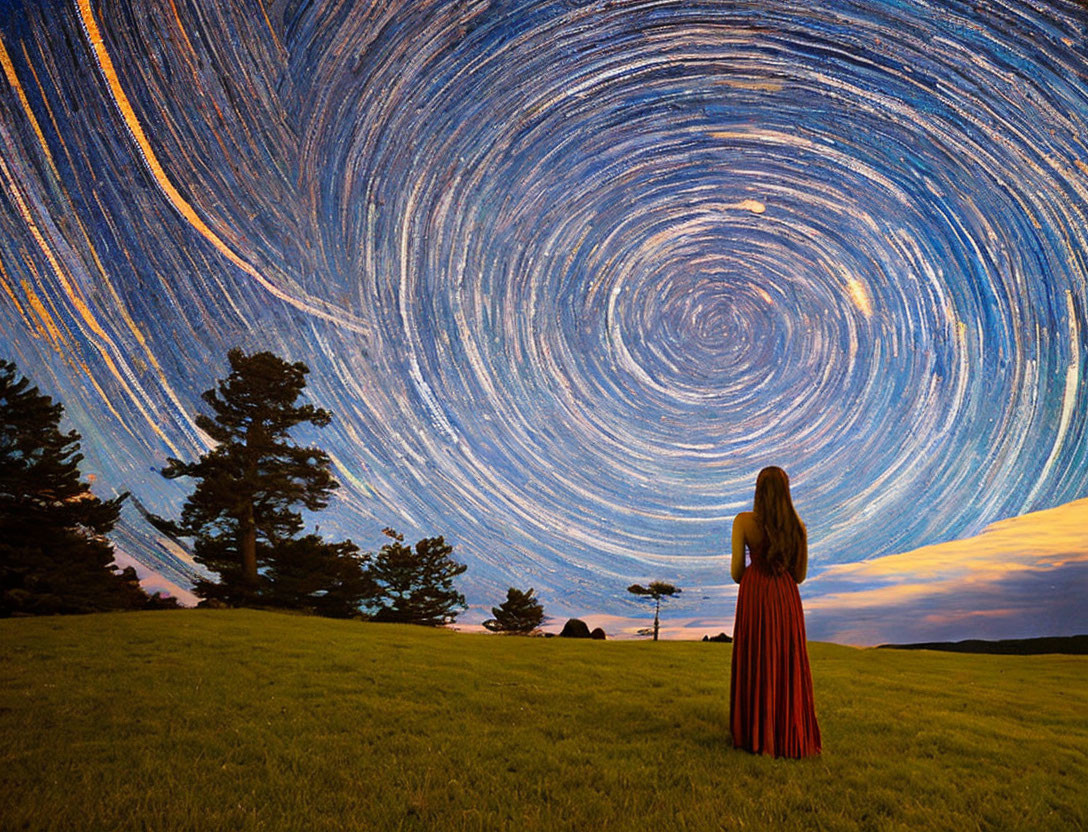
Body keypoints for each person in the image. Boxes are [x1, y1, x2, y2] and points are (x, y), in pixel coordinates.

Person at [729, 466, 821, 757]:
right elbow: (800, 575)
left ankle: (754, 732)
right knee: (784, 659)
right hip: (785, 598)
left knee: (756, 655)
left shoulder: (743, 522)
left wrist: (755, 573)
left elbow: (735, 572)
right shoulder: (799, 527)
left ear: (758, 491)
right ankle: (785, 731)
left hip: (754, 593)